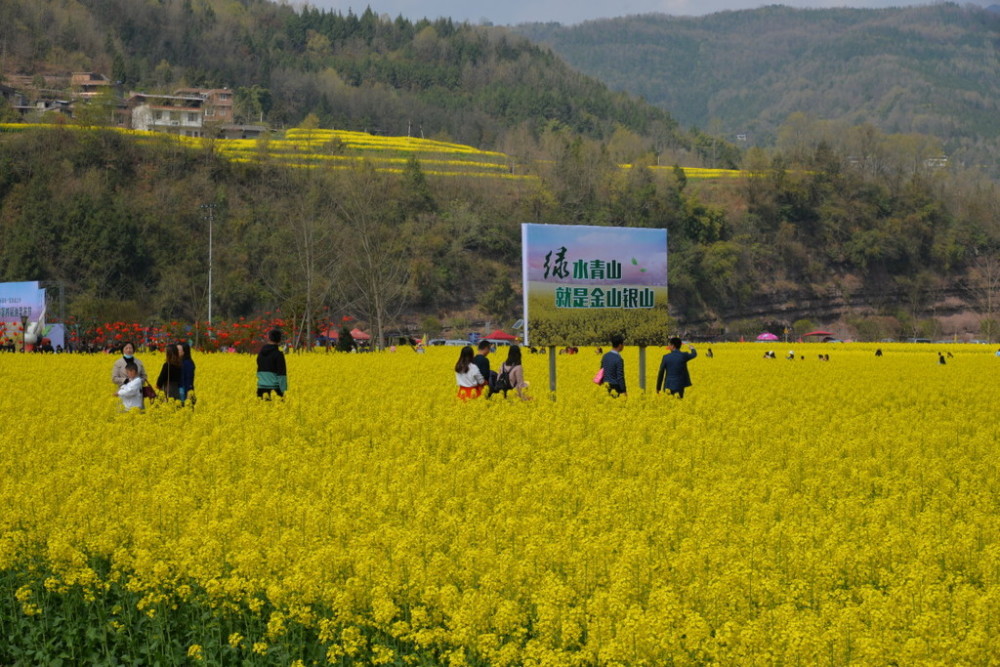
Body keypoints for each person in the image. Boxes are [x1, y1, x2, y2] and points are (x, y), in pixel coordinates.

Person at [257, 329, 288, 398]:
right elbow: (282, 374)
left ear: (268, 338)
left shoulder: (261, 354)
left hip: (261, 388)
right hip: (275, 390)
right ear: (279, 340)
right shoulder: (278, 355)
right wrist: (284, 391)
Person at [178, 342, 196, 407]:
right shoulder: (181, 361)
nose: (176, 351)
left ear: (184, 352)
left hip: (184, 391)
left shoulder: (187, 363)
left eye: (178, 350)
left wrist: (189, 392)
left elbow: (189, 378)